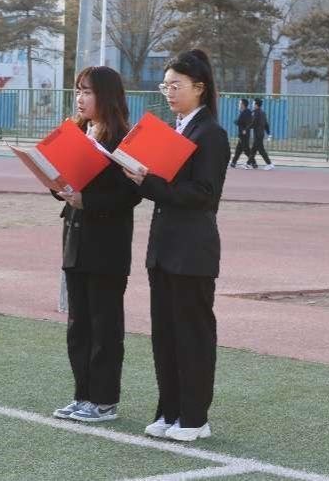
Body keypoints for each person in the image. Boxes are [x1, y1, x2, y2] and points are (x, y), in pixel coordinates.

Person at [123, 49, 230, 442]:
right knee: (165, 335)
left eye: (176, 85)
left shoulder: (211, 133)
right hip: (164, 248)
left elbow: (204, 194)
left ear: (199, 88)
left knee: (192, 335)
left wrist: (148, 182)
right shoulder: (176, 130)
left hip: (192, 250)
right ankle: (169, 412)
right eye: (165, 85)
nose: (168, 92)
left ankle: (194, 418)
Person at [52, 66, 141, 424]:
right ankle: (82, 395)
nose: (80, 98)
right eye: (78, 91)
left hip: (107, 245)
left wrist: (86, 200)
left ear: (106, 96)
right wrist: (57, 184)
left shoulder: (124, 138)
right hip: (76, 239)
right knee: (79, 326)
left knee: (104, 326)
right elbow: (63, 181)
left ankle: (104, 401)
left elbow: (130, 195)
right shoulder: (76, 131)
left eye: (87, 92)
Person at [246, 98, 274, 170]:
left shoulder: (256, 112)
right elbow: (266, 124)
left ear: (256, 105)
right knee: (253, 150)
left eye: (253, 103)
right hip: (261, 134)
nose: (252, 104)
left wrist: (246, 128)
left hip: (258, 134)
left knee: (261, 150)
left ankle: (269, 164)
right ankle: (248, 164)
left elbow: (254, 123)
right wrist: (268, 133)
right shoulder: (263, 112)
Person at [229, 98, 252, 168]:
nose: (239, 105)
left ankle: (253, 162)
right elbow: (240, 121)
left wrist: (245, 129)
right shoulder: (245, 112)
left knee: (246, 150)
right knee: (238, 149)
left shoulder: (246, 112)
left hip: (244, 134)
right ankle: (233, 162)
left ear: (243, 105)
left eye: (240, 103)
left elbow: (243, 122)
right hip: (242, 133)